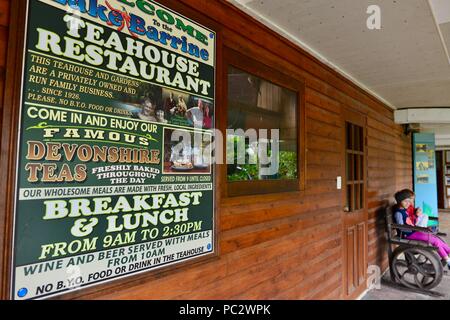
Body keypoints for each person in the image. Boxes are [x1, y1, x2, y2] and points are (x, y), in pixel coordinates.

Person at [394, 189, 450, 268]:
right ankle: (448, 261)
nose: (408, 203)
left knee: (435, 238)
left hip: (413, 232)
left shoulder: (404, 209)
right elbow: (401, 226)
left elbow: (410, 219)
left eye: (409, 201)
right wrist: (415, 228)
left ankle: (448, 251)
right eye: (405, 201)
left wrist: (416, 219)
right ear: (400, 201)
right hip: (408, 234)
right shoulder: (398, 213)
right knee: (434, 241)